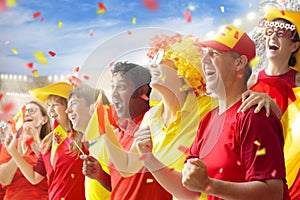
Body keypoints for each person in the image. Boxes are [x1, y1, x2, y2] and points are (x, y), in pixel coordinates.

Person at [135, 25, 290, 199]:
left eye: (214, 53)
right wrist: (149, 159)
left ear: (239, 63)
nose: (204, 60)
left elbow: (272, 194)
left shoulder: (254, 114)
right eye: (205, 53)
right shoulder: (208, 120)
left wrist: (209, 185)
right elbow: (191, 191)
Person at [83, 61, 175, 199]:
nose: (113, 94)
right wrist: (100, 175)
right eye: (112, 87)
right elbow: (122, 185)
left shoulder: (157, 124)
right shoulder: (119, 133)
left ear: (142, 91)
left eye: (121, 87)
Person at [4, 82, 86, 200]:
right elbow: (34, 177)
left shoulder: (84, 137)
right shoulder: (48, 142)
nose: (50, 110)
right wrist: (13, 152)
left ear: (69, 108)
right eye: (48, 105)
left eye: (56, 105)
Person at [249, 6, 300, 199]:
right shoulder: (250, 82)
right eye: (270, 32)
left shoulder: (298, 83)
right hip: (255, 167)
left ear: (294, 46)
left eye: (281, 33)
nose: (272, 37)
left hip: (292, 170)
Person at [65, 85, 111, 200]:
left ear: (93, 107)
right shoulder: (94, 144)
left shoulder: (110, 142)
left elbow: (125, 187)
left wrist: (100, 176)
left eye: (74, 103)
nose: (67, 110)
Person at [0, 101, 50, 200]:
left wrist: (37, 147)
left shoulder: (50, 145)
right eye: (25, 111)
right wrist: (17, 153)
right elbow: (4, 180)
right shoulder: (11, 144)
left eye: (32, 111)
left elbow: (54, 179)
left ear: (44, 120)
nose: (27, 113)